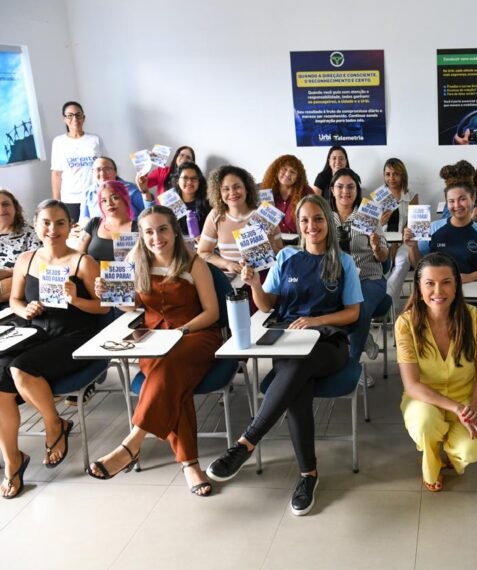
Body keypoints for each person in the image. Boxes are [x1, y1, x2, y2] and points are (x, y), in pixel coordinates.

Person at [206, 195, 363, 517]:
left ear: (328, 221)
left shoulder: (343, 260)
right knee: (296, 384)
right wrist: (254, 284)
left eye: (318, 219)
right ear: (298, 225)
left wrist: (316, 321)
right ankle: (308, 475)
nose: (311, 226)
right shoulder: (286, 257)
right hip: (289, 342)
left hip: (328, 343)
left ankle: (246, 444)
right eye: (304, 220)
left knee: (297, 370)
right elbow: (267, 305)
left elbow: (353, 313)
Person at [86, 205, 222, 496]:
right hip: (153, 340)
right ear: (141, 235)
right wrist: (110, 294)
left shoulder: (193, 262)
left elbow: (211, 313)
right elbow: (132, 307)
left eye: (162, 229)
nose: (156, 237)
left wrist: (180, 332)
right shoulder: (135, 261)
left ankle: (132, 443)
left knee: (170, 367)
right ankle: (189, 464)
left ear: (175, 231)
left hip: (195, 335)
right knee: (173, 383)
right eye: (148, 232)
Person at [0, 200, 108, 498]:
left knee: (20, 369)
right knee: (0, 376)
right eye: (46, 223)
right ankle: (13, 460)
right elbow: (15, 300)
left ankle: (54, 424)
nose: (53, 229)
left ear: (69, 226)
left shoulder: (82, 262)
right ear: (36, 225)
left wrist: (76, 299)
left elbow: (104, 307)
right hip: (36, 332)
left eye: (60, 222)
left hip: (75, 335)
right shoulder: (26, 260)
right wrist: (25, 309)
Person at [396, 252, 477, 491]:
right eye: (429, 283)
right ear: (419, 289)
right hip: (424, 400)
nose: (438, 291)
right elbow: (412, 385)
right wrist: (456, 409)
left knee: (471, 449)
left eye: (446, 282)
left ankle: (451, 449)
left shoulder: (476, 318)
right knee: (425, 422)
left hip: (465, 399)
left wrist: (471, 409)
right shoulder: (406, 324)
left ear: (456, 286)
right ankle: (432, 462)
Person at [404, 161, 477, 318]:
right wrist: (412, 247)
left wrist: (470, 277)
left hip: (472, 300)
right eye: (451, 201)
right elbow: (417, 264)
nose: (457, 205)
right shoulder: (433, 228)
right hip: (437, 300)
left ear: (473, 199)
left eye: (462, 199)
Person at [328, 168, 389, 385]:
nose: (345, 191)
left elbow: (384, 257)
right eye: (340, 186)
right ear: (332, 190)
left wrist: (376, 246)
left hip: (369, 277)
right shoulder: (325, 217)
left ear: (357, 190)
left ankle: (352, 363)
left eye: (350, 187)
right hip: (335, 279)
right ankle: (363, 340)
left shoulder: (368, 216)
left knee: (358, 306)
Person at [198, 165, 282, 276]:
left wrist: (272, 246)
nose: (232, 192)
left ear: (247, 189)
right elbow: (202, 253)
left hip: (264, 277)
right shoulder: (215, 215)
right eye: (226, 189)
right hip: (231, 280)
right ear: (219, 193)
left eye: (237, 187)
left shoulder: (265, 215)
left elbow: (282, 255)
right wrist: (227, 264)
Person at [50, 101, 103, 221]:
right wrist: (56, 201)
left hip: (94, 196)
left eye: (78, 115)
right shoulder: (59, 142)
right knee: (74, 231)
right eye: (70, 115)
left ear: (83, 117)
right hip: (70, 199)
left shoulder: (95, 140)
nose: (74, 119)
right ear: (64, 119)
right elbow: (56, 173)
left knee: (97, 229)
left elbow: (104, 166)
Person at [379, 158, 418, 313]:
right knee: (385, 268)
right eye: (388, 174)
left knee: (401, 263)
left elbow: (414, 225)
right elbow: (370, 227)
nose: (391, 178)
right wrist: (381, 222)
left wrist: (397, 243)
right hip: (382, 240)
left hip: (404, 241)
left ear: (403, 175)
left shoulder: (412, 196)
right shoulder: (378, 195)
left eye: (396, 174)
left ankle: (387, 304)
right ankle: (388, 308)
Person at [77, 180, 138, 262]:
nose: (109, 203)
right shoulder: (94, 223)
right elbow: (78, 256)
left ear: (125, 199)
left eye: (115, 198)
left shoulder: (138, 228)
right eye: (104, 201)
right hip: (92, 270)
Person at [0, 189, 39, 305]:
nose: (2, 209)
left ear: (15, 207)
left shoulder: (32, 233)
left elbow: (37, 266)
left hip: (18, 289)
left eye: (5, 204)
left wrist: (6, 272)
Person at [78, 157, 145, 224]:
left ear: (115, 172)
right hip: (99, 230)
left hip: (129, 229)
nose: (102, 173)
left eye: (107, 169)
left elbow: (147, 212)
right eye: (98, 169)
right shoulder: (88, 193)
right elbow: (84, 219)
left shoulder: (132, 189)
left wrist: (145, 192)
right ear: (93, 172)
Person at [261, 154, 314, 234]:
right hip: (273, 239)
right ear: (277, 170)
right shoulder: (265, 192)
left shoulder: (306, 192)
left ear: (298, 177)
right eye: (284, 169)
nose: (287, 174)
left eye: (292, 172)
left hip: (299, 239)